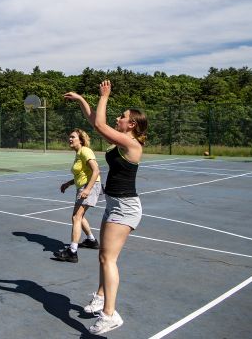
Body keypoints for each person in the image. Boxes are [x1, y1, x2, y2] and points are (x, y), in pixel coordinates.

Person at [64, 80, 148, 335]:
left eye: (122, 117)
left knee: (107, 258)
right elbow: (95, 121)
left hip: (125, 207)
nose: (117, 118)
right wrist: (81, 99)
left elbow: (99, 124)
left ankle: (110, 314)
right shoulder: (121, 139)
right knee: (104, 257)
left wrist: (105, 96)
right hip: (114, 204)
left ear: (131, 124)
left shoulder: (131, 144)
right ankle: (101, 298)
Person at [53, 128, 101, 263]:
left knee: (76, 217)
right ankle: (91, 241)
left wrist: (88, 190)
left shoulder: (85, 151)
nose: (70, 139)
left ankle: (72, 252)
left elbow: (96, 170)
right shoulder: (78, 153)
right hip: (83, 186)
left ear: (80, 140)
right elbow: (81, 174)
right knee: (79, 216)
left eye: (73, 137)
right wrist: (68, 183)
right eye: (69, 137)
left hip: (89, 187)